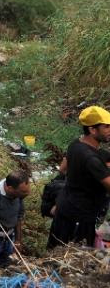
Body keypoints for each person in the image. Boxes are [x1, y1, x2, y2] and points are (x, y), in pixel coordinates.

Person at [47, 105, 110, 249]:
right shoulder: (91, 159)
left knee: (57, 253)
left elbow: (63, 169)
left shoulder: (76, 144)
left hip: (65, 208)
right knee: (74, 258)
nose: (109, 130)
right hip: (80, 216)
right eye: (106, 127)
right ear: (92, 129)